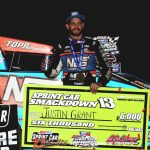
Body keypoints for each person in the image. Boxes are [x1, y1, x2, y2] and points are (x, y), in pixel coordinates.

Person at [41, 11, 112, 93]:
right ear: (67, 26)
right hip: (69, 93)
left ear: (83, 25)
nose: (76, 26)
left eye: (79, 23)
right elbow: (53, 74)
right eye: (73, 23)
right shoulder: (61, 46)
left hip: (90, 92)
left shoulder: (93, 45)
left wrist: (100, 83)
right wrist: (46, 69)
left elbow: (107, 68)